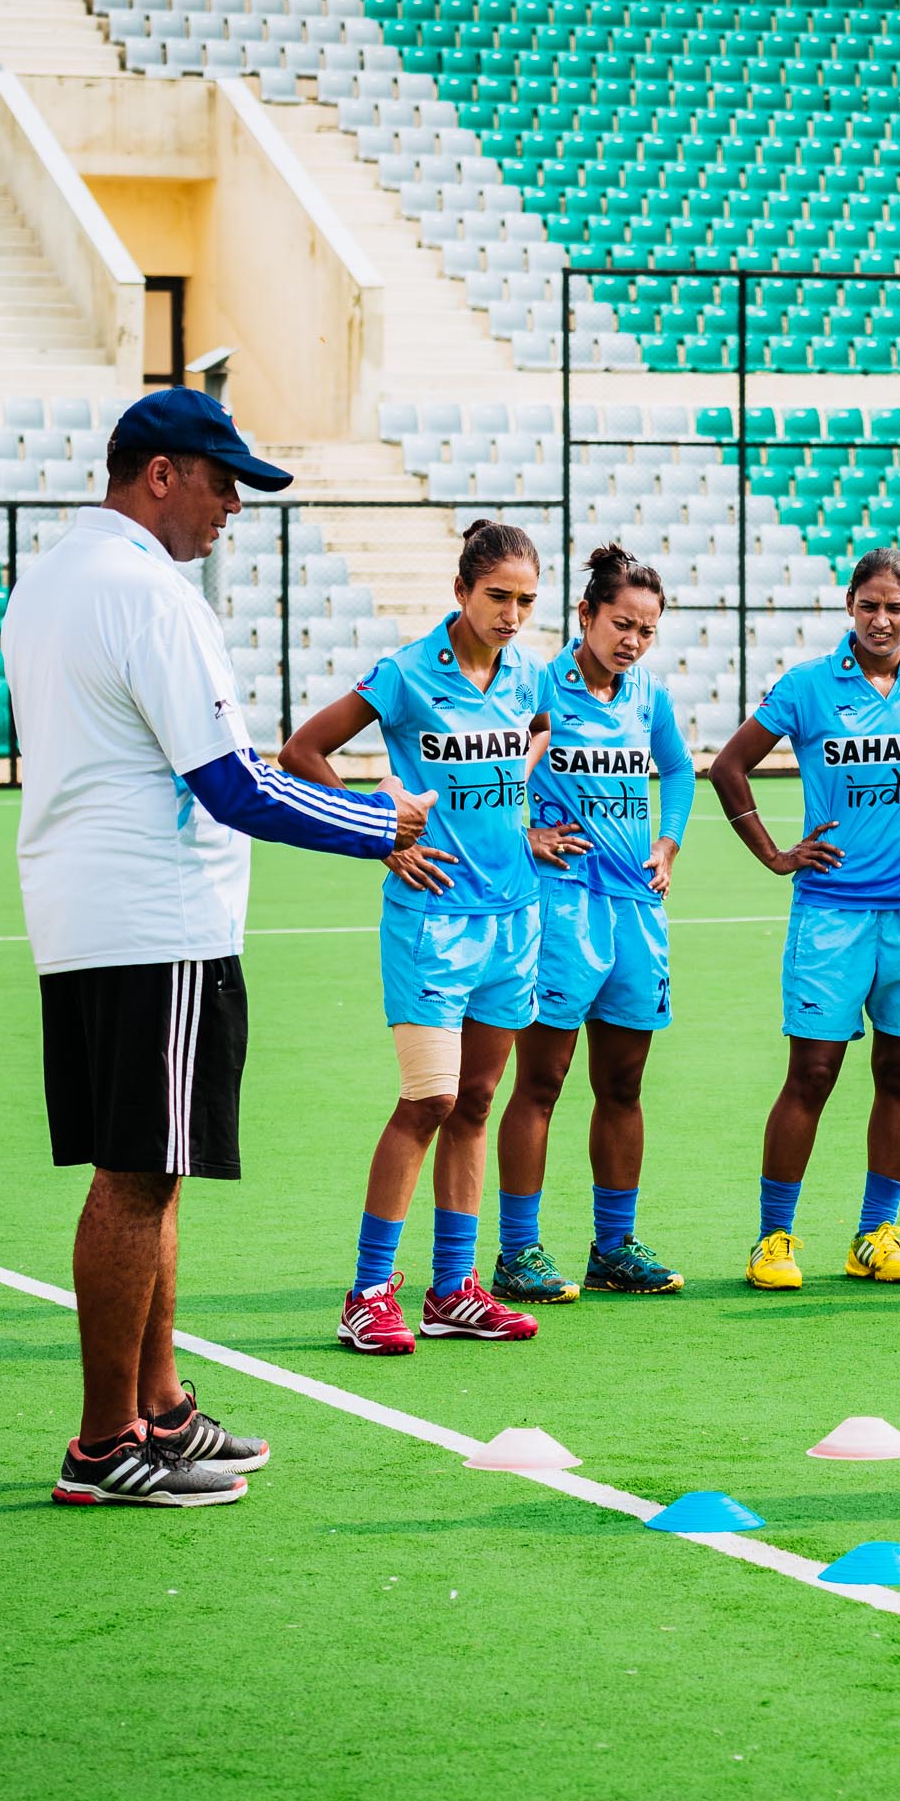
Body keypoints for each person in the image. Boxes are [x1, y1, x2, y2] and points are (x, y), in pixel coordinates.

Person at [9, 386, 430, 1506]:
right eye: (221, 480)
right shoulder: (150, 596)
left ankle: (160, 1407)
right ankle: (106, 1446)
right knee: (138, 1178)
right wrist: (377, 824)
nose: (234, 506)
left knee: (154, 1168)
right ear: (160, 474)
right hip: (159, 923)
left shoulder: (47, 581)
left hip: (87, 916)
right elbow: (233, 785)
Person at [283, 520, 553, 1348]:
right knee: (429, 1099)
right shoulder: (404, 675)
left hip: (514, 919)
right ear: (462, 592)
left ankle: (454, 1289)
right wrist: (381, 832)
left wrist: (519, 824)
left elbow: (535, 735)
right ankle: (367, 1291)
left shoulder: (527, 675)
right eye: (497, 597)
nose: (511, 614)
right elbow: (303, 751)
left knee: (475, 1102)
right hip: (432, 921)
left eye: (525, 601)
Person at [707, 546, 900, 1291]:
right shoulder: (806, 687)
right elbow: (730, 766)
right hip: (831, 913)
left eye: (896, 607)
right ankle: (772, 1239)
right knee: (813, 1072)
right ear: (849, 608)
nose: (882, 619)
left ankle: (875, 1235)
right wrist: (774, 853)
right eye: (869, 605)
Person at [490, 544, 694, 1295]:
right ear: (585, 614)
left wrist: (667, 843)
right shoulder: (537, 686)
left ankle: (613, 1247)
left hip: (635, 911)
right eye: (620, 623)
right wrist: (525, 834)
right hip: (561, 907)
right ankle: (518, 1253)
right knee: (540, 1082)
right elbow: (486, 773)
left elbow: (676, 769)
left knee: (624, 1084)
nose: (632, 640)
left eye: (645, 628)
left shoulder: (647, 697)